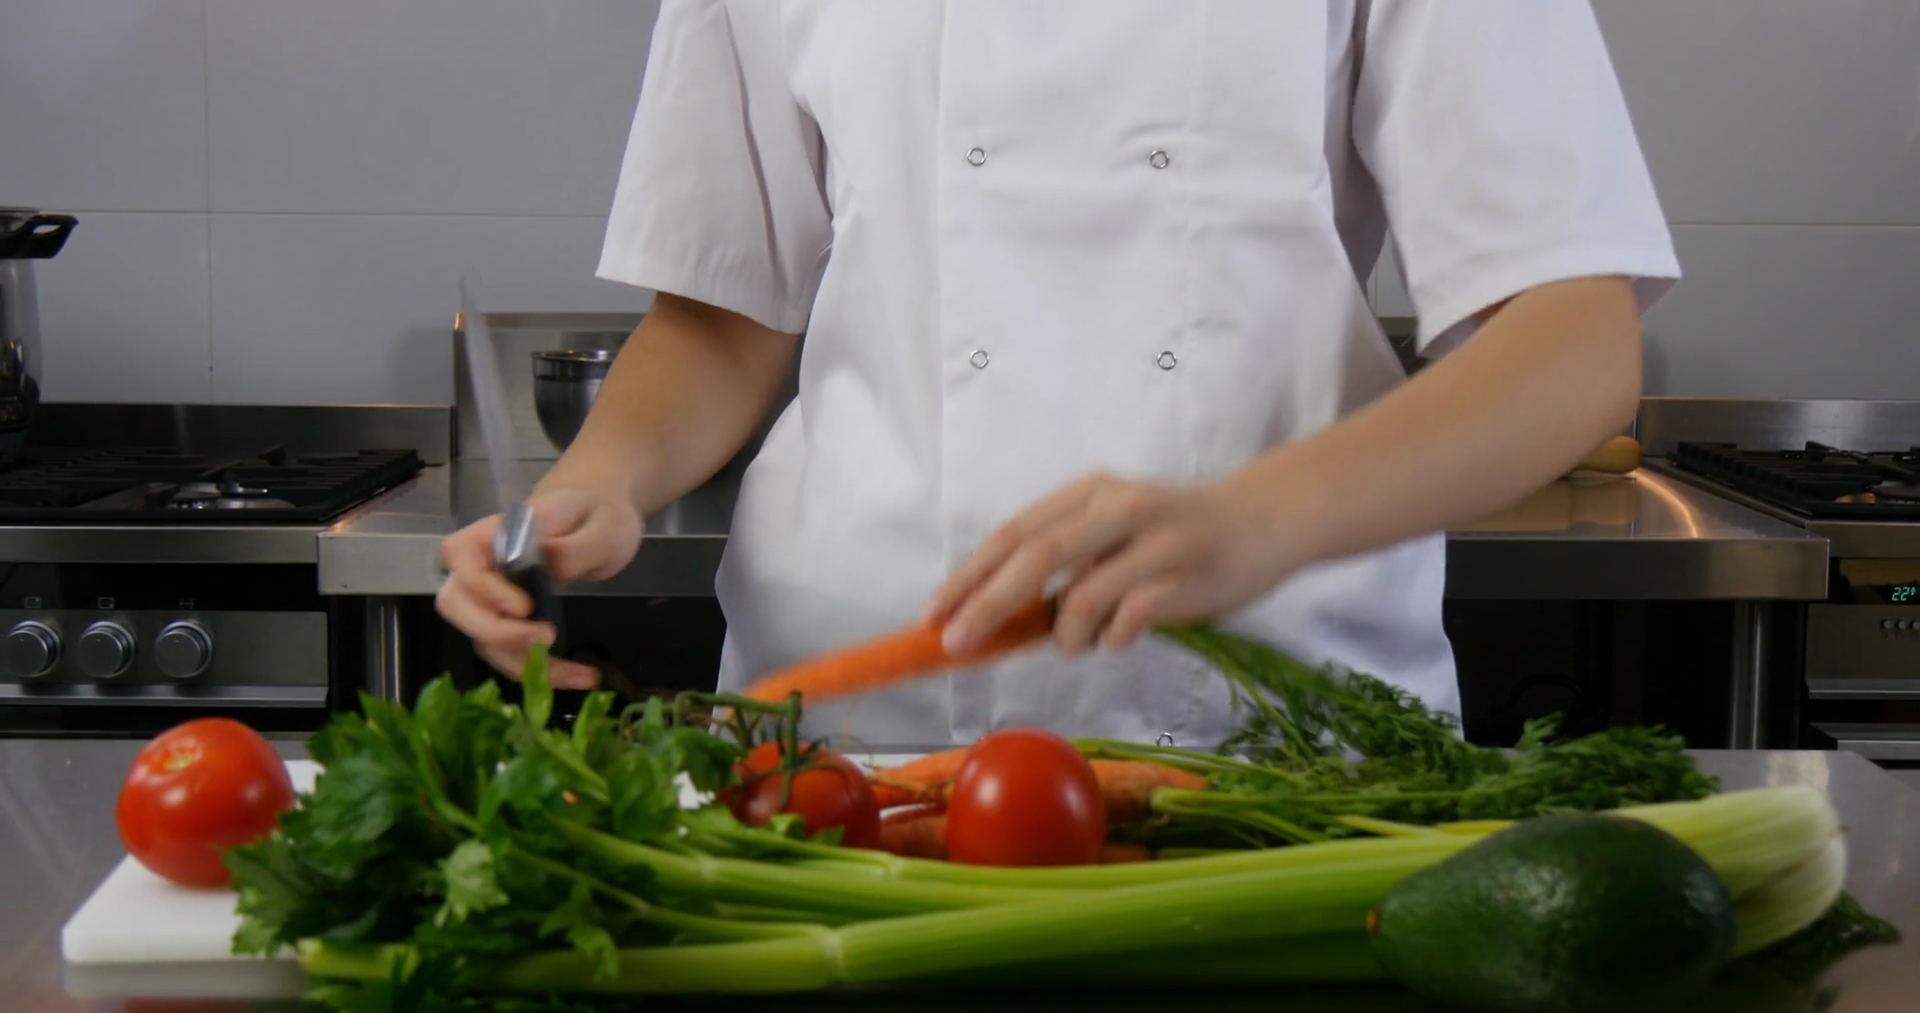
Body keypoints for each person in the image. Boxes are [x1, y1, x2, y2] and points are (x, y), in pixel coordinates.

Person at [436, 0, 1678, 749]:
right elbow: (721, 314)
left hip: (1272, 737)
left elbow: (1571, 337)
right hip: (847, 735)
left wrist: (1256, 515)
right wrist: (603, 477)